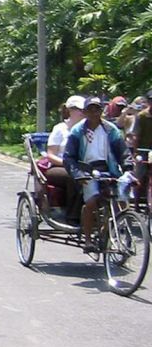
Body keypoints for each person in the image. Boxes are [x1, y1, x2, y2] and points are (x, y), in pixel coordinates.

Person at [63, 96, 134, 252]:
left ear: (102, 111)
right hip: (86, 171)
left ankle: (111, 230)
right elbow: (68, 157)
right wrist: (77, 174)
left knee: (120, 200)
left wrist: (128, 169)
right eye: (90, 109)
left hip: (109, 169)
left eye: (97, 109)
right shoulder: (77, 131)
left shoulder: (111, 130)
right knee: (92, 201)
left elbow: (123, 151)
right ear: (85, 112)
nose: (94, 113)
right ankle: (88, 240)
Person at [44, 95, 86, 219]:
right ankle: (73, 215)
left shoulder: (87, 129)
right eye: (80, 110)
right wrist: (69, 164)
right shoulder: (60, 129)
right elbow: (51, 155)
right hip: (59, 167)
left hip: (82, 166)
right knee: (75, 177)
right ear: (70, 111)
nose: (83, 113)